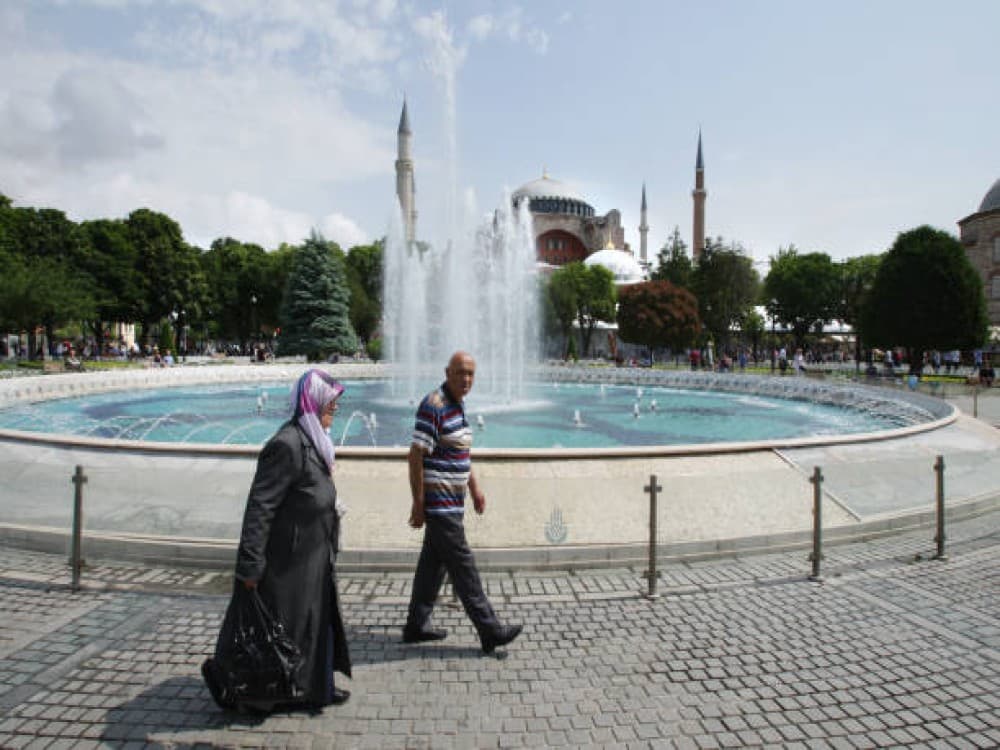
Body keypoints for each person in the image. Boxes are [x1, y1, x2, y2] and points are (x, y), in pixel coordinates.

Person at [204, 369, 352, 711]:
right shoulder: (287, 445)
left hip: (311, 556)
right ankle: (246, 688)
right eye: (331, 402)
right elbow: (260, 507)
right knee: (278, 627)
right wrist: (250, 565)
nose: (335, 408)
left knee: (312, 622)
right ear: (312, 402)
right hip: (287, 561)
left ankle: (315, 688)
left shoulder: (315, 441)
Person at [402, 351, 522, 654]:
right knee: (464, 567)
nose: (466, 379)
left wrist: (475, 488)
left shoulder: (458, 406)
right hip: (440, 506)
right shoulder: (434, 405)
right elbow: (416, 455)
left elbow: (460, 454)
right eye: (460, 373)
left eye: (470, 374)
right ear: (447, 372)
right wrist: (418, 502)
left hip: (453, 503)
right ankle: (490, 629)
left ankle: (416, 625)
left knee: (433, 566)